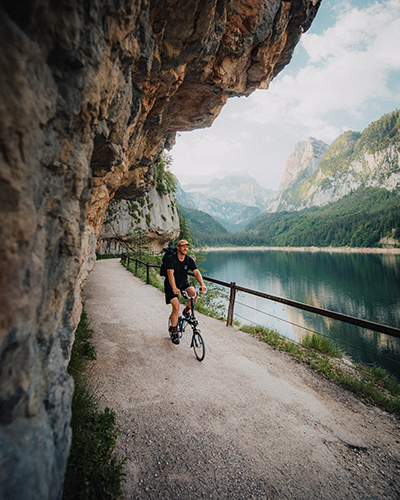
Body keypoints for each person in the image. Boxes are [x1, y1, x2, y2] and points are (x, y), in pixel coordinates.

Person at [165, 239, 206, 344]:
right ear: (178, 248)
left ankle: (186, 311)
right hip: (171, 285)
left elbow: (196, 272)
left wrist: (202, 284)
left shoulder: (189, 260)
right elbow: (170, 274)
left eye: (187, 246)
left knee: (193, 293)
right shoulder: (171, 259)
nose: (185, 248)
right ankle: (174, 331)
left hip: (183, 283)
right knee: (176, 306)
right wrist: (174, 287)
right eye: (183, 246)